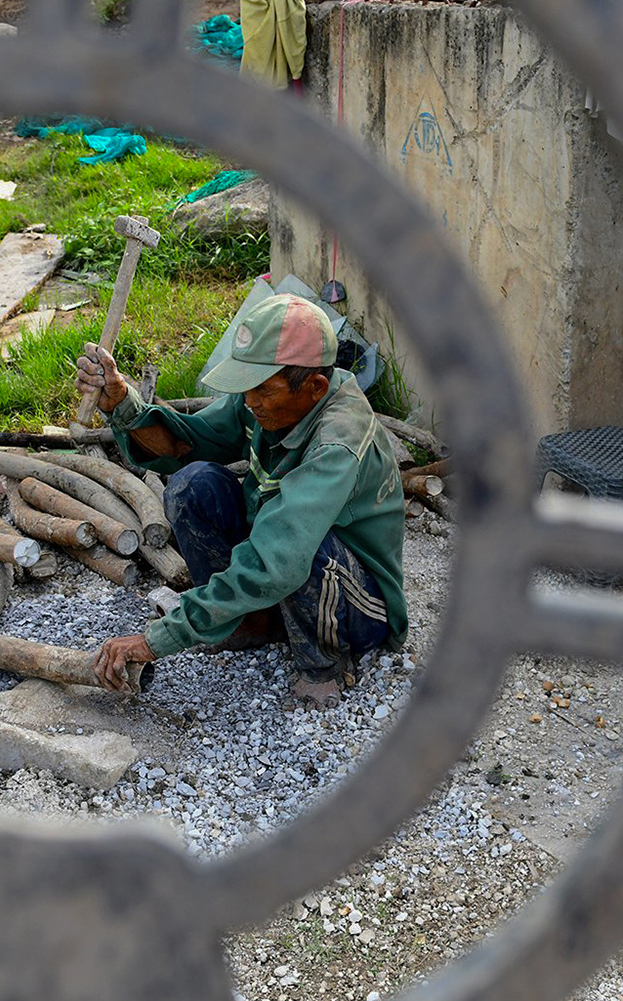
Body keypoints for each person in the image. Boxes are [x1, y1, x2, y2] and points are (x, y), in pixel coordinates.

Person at [81, 293, 407, 709]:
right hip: (285, 561)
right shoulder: (264, 402)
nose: (250, 402)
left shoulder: (336, 442)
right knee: (191, 485)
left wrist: (157, 639)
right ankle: (250, 623)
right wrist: (122, 404)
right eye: (247, 390)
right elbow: (187, 442)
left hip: (359, 603)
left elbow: (281, 556)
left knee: (303, 548)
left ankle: (323, 663)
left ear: (315, 388)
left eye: (263, 392)